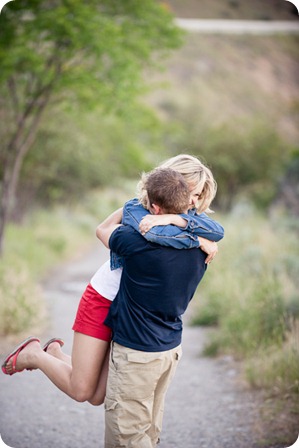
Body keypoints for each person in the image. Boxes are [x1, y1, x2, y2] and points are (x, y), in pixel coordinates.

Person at [2, 154, 223, 408]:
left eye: (197, 197)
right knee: (81, 389)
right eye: (190, 193)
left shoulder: (188, 220)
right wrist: (198, 240)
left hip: (130, 311)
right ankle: (33, 355)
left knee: (98, 396)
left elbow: (211, 230)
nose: (191, 204)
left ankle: (54, 354)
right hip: (104, 299)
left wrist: (187, 227)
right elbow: (106, 231)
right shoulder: (142, 215)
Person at [97, 166, 221, 447]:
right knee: (150, 431)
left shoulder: (135, 242)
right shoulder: (203, 247)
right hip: (169, 350)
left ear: (153, 206)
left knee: (127, 436)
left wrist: (131, 206)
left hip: (136, 353)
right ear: (191, 202)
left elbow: (102, 230)